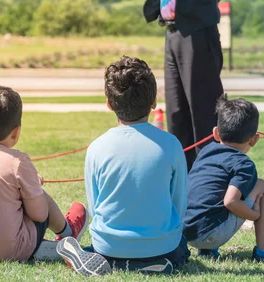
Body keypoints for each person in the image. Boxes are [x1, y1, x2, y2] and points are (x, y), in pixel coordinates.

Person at [57, 56, 190, 275]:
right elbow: (179, 204)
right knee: (181, 249)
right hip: (162, 247)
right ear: (154, 101)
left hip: (109, 247)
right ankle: (146, 264)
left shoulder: (97, 147)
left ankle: (101, 259)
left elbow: (96, 204)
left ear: (109, 104)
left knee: (100, 251)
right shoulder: (171, 145)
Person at [0, 85, 92, 263]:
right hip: (6, 252)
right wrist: (33, 186)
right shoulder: (17, 161)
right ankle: (67, 232)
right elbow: (40, 215)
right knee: (40, 196)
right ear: (16, 132)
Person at [183, 96, 264, 263]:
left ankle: (206, 250)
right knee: (262, 187)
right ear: (254, 139)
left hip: (184, 232)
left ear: (215, 133)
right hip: (209, 233)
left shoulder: (205, 152)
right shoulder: (244, 164)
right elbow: (230, 202)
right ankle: (263, 251)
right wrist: (254, 214)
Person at [143, 0, 224, 170]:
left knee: (204, 112)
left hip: (197, 29)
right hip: (173, 29)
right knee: (176, 112)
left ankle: (209, 174)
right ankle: (181, 173)